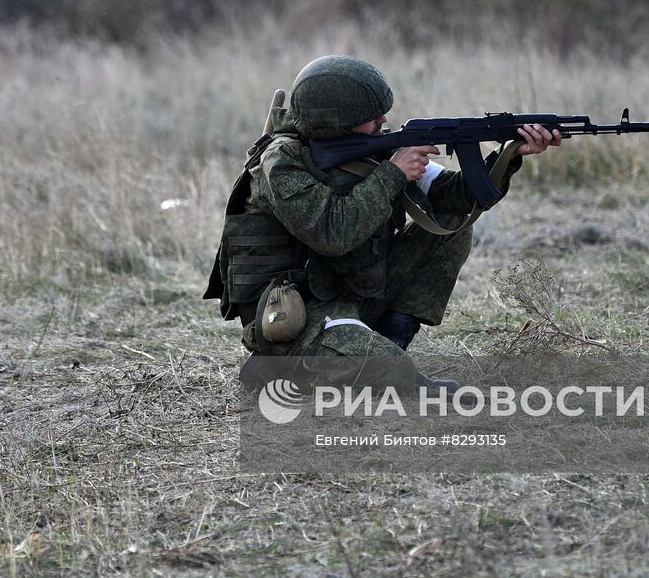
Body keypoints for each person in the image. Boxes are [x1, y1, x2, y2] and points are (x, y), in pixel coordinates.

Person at [204, 55, 561, 391]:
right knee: (392, 372)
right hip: (295, 312)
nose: (383, 122)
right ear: (337, 121)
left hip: (353, 292)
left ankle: (390, 342)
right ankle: (275, 364)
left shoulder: (374, 147)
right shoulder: (281, 164)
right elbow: (332, 234)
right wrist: (393, 173)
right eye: (372, 115)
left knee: (451, 224)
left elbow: (455, 198)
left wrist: (511, 154)